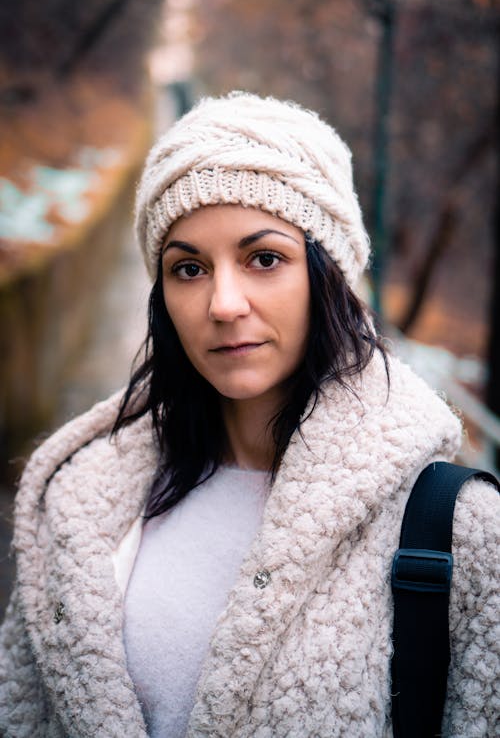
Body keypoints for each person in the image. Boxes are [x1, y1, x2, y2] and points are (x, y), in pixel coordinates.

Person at [0, 92, 497, 738]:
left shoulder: (459, 532)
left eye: (264, 259)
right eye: (188, 268)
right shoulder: (79, 506)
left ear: (330, 275)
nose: (223, 303)